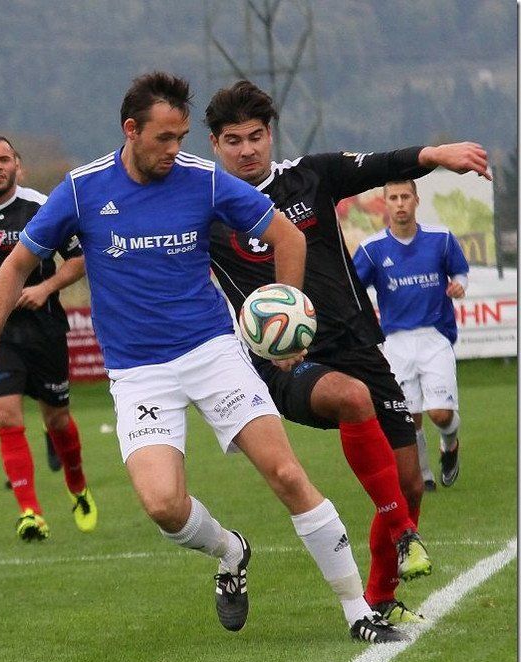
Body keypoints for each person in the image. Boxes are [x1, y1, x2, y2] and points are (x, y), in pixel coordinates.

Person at [0, 72, 405, 643]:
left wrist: (286, 314)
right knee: (163, 506)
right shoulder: (81, 189)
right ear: (131, 130)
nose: (175, 149)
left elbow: (288, 237)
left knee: (286, 473)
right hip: (138, 373)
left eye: (181, 137)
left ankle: (357, 611)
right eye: (164, 138)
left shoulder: (203, 180)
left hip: (213, 353)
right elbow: (16, 267)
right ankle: (230, 550)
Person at [203, 79, 490, 623]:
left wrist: (436, 154)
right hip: (284, 362)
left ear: (270, 135)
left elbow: (381, 164)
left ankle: (382, 599)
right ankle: (404, 534)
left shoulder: (310, 176)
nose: (246, 150)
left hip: (358, 345)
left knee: (410, 483)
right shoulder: (204, 208)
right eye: (233, 140)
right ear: (215, 144)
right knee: (351, 397)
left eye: (256, 136)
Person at [0, 134, 96, 541]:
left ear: (18, 166)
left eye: (4, 159)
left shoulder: (42, 207)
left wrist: (45, 288)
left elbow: (79, 259)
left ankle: (78, 487)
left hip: (44, 330)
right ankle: (30, 512)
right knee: (6, 415)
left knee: (58, 420)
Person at [354, 179, 469, 491]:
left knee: (441, 414)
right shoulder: (372, 248)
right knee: (409, 417)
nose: (400, 203)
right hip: (395, 342)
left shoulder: (440, 238)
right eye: (393, 198)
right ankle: (424, 476)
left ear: (416, 200)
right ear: (385, 203)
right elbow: (353, 289)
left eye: (405, 196)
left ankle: (450, 444)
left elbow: (460, 271)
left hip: (435, 337)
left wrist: (459, 285)